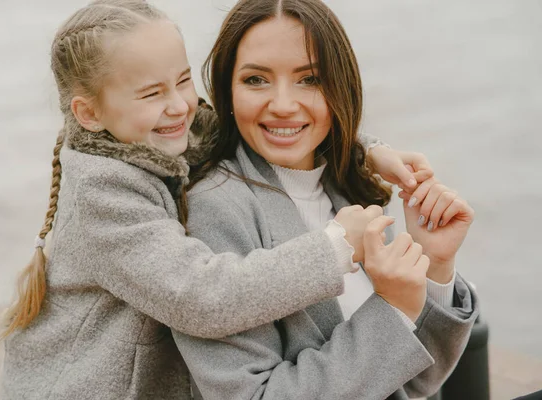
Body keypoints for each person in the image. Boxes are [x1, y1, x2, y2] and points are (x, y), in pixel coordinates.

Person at [0, 1, 438, 399]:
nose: (179, 107)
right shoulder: (104, 194)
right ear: (90, 114)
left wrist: (366, 150)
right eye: (153, 93)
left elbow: (238, 122)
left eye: (184, 81)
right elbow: (203, 297)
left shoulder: (155, 132)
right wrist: (337, 245)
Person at [171, 0, 480, 399]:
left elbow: (413, 382)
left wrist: (435, 266)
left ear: (340, 89)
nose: (283, 105)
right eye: (256, 80)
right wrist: (393, 309)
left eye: (310, 80)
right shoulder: (216, 209)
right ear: (227, 89)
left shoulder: (349, 186)